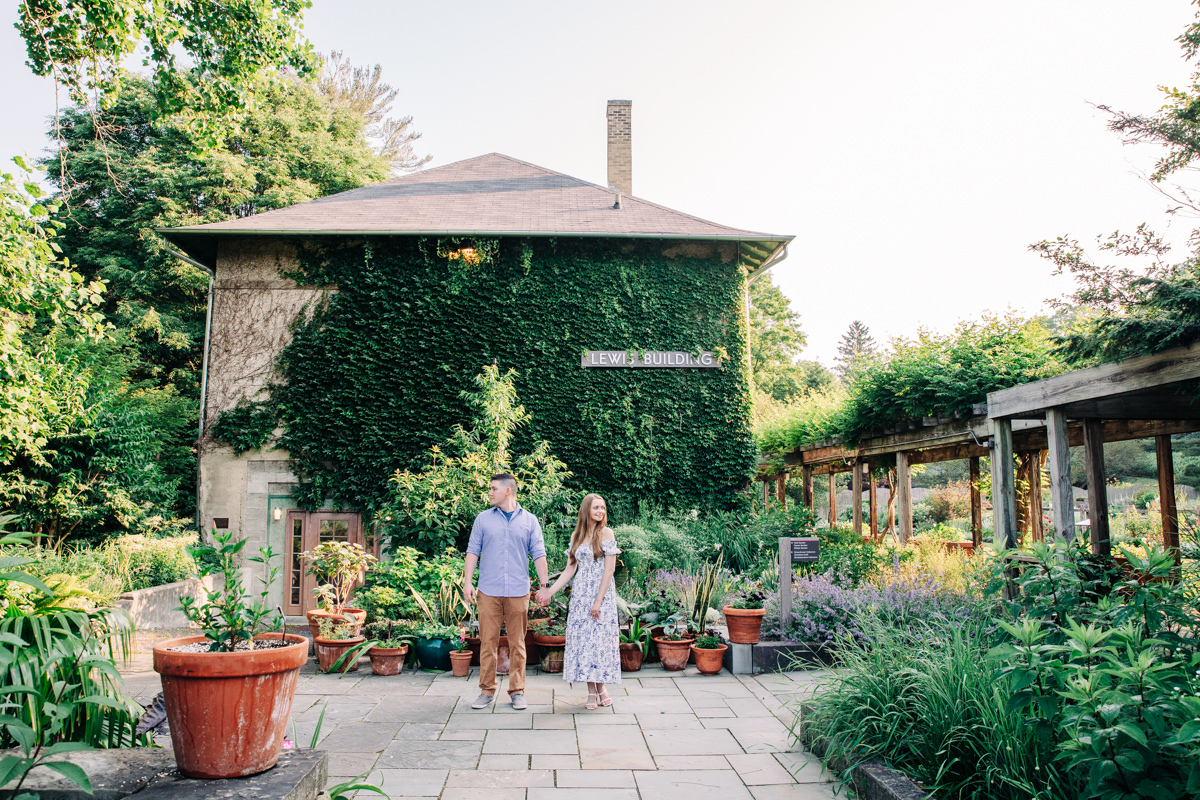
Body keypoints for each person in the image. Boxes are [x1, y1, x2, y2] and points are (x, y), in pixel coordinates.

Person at [464, 473, 549, 711]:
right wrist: (467, 582)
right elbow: (473, 552)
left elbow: (539, 554)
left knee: (518, 643)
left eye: (493, 488)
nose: (489, 492)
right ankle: (486, 690)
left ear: (507, 491)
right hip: (488, 591)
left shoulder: (530, 520)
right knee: (487, 642)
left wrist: (544, 586)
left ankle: (517, 691)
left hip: (518, 591)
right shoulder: (482, 520)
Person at [536, 493, 620, 710]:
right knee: (585, 643)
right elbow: (570, 569)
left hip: (601, 596)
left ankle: (601, 687)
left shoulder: (607, 533)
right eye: (596, 508)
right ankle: (592, 690)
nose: (600, 511)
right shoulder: (577, 536)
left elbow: (609, 569)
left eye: (603, 508)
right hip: (581, 597)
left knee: (599, 643)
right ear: (586, 511)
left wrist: (598, 601)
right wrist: (550, 592)